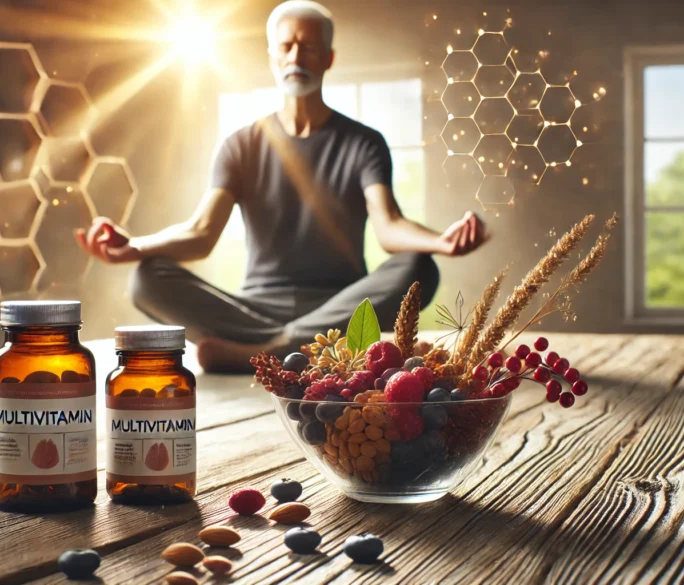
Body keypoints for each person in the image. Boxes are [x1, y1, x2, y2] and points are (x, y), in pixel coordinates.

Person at [77, 0, 487, 372]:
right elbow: (201, 234)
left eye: (308, 47)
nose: (295, 56)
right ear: (272, 56)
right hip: (253, 309)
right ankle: (301, 347)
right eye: (286, 46)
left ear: (328, 58)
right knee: (146, 278)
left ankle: (267, 351)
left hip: (339, 306)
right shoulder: (240, 145)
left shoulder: (364, 142)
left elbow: (389, 225)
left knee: (419, 268)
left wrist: (441, 242)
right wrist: (134, 247)